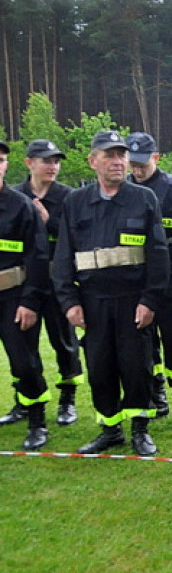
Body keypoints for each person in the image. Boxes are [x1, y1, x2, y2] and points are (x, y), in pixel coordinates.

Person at [53, 131, 169, 456]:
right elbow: (63, 258)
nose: (118, 161)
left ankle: (140, 430)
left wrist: (150, 300)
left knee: (136, 366)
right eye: (110, 155)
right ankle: (110, 428)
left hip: (133, 299)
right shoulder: (75, 203)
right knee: (100, 367)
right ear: (93, 161)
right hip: (92, 303)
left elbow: (158, 256)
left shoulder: (144, 198)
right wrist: (69, 302)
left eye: (122, 156)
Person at [2, 140, 83, 429]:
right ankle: (23, 401)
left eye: (56, 161)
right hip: (25, 285)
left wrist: (49, 223)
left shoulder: (69, 197)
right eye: (46, 160)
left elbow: (78, 238)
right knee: (23, 346)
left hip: (58, 281)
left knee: (64, 342)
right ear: (29, 163)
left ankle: (67, 399)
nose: (52, 166)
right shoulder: (19, 196)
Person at [126, 132, 172, 431]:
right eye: (133, 164)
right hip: (133, 277)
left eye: (142, 163)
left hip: (167, 275)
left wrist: (166, 249)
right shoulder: (124, 189)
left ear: (156, 158)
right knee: (143, 340)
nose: (137, 169)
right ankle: (157, 394)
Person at [0, 137, 51, 450]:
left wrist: (30, 301)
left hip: (13, 297)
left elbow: (37, 256)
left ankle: (36, 421)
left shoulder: (20, 207)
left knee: (24, 362)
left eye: (2, 160)